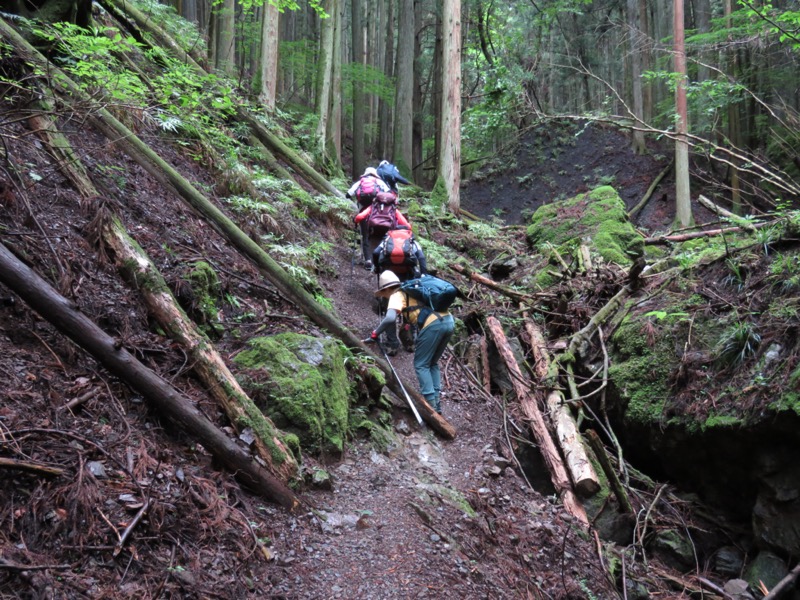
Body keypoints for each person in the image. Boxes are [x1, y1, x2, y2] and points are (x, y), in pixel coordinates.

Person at [366, 271, 455, 414]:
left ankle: (430, 407)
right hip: (449, 322)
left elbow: (389, 319)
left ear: (386, 289)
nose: (384, 296)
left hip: (434, 325)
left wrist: (375, 333)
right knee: (432, 363)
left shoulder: (396, 295)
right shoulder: (412, 291)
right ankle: (436, 403)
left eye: (383, 293)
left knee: (421, 364)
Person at [347, 168, 391, 267]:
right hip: (377, 212)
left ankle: (368, 260)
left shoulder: (360, 182)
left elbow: (348, 195)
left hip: (363, 212)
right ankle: (381, 258)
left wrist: (356, 202)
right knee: (380, 235)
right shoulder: (379, 181)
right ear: (375, 174)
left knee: (365, 236)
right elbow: (389, 194)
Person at [353, 197, 412, 271]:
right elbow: (405, 224)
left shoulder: (373, 207)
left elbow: (360, 216)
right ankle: (383, 264)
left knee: (370, 242)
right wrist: (409, 229)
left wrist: (355, 220)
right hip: (388, 232)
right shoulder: (393, 209)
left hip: (374, 230)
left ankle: (369, 262)